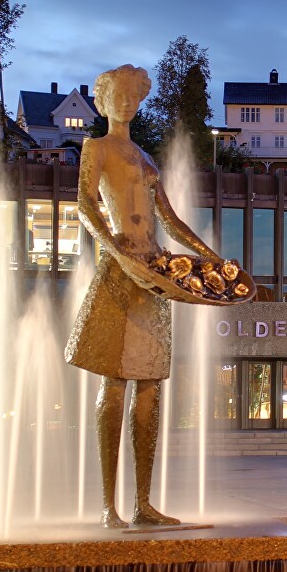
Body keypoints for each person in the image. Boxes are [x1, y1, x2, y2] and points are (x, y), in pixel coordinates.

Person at [65, 64, 223, 528]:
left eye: (135, 96)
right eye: (119, 95)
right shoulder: (96, 147)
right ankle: (107, 507)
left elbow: (170, 222)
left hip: (153, 272)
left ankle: (143, 504)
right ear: (103, 99)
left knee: (151, 389)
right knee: (114, 384)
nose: (127, 103)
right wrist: (114, 250)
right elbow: (85, 203)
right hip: (121, 269)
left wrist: (212, 258)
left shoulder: (146, 159)